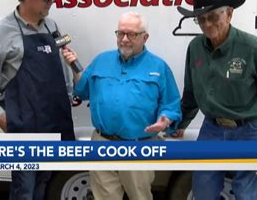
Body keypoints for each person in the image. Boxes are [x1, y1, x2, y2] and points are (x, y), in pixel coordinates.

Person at [174, 0, 257, 200]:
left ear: (229, 13)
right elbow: (190, 94)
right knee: (202, 192)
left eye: (213, 17)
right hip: (212, 130)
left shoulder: (256, 49)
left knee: (246, 195)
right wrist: (179, 124)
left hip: (250, 132)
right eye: (201, 19)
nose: (207, 24)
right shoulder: (195, 48)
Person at [0, 0, 75, 200]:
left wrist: (69, 94)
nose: (51, 3)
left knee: (45, 180)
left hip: (54, 121)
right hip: (24, 126)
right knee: (24, 187)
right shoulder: (0, 30)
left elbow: (62, 60)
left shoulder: (52, 26)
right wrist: (0, 117)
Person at [62, 11, 181, 200]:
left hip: (139, 145)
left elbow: (171, 104)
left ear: (145, 37)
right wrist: (74, 67)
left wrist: (164, 121)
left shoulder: (159, 67)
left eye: (131, 34)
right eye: (120, 34)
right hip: (102, 142)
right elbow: (82, 90)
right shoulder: (102, 60)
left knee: (139, 196)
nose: (124, 39)